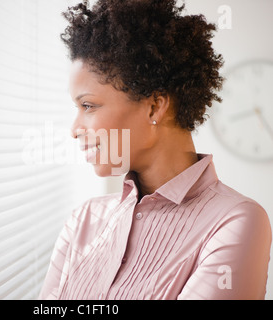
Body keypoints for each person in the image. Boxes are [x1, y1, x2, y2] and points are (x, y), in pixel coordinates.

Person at [39, 0, 271, 300]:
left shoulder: (236, 221)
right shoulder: (84, 219)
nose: (74, 129)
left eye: (88, 106)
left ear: (154, 106)